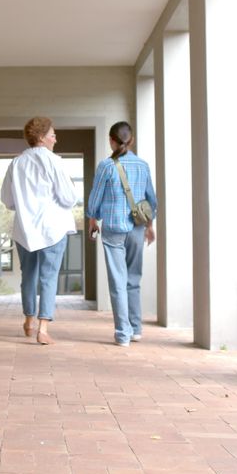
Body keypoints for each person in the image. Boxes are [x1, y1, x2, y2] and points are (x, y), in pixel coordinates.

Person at [1, 118, 79, 345]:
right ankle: (43, 328)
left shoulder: (16, 163)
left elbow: (7, 200)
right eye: (53, 135)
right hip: (52, 228)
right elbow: (68, 197)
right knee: (48, 277)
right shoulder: (54, 162)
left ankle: (28, 320)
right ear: (42, 137)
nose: (56, 138)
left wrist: (25, 205)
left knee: (29, 276)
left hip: (24, 229)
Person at [86, 122, 158, 347]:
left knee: (118, 281)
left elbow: (95, 199)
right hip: (137, 228)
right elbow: (151, 200)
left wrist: (92, 219)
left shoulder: (106, 167)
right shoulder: (143, 165)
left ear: (111, 140)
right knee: (133, 279)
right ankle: (136, 329)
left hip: (114, 229)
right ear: (131, 140)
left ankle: (123, 334)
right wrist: (149, 226)